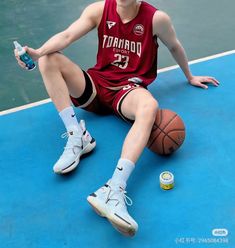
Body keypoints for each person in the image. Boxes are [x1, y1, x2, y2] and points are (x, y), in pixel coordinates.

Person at [14, 0, 219, 237]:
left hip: (128, 90)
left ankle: (114, 189)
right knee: (49, 59)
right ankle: (77, 136)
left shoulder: (156, 19)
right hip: (97, 85)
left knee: (149, 105)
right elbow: (68, 35)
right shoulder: (99, 10)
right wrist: (38, 53)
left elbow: (174, 46)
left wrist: (190, 75)